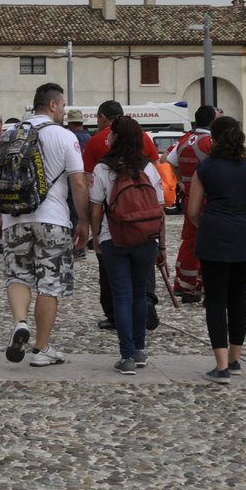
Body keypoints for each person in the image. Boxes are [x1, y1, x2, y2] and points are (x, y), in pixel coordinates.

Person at [0, 82, 89, 368]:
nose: (65, 110)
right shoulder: (64, 135)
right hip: (53, 219)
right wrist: (83, 220)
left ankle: (20, 322)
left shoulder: (9, 134)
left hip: (14, 219)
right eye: (64, 105)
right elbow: (78, 181)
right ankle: (41, 348)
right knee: (50, 284)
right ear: (53, 105)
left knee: (17, 275)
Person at [189, 115, 246, 384]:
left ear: (212, 140)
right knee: (239, 298)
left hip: (216, 234)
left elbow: (192, 211)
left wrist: (208, 224)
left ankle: (221, 365)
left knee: (215, 299)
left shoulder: (206, 168)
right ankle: (236, 358)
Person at [88, 117, 166, 374]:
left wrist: (96, 237)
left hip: (115, 238)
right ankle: (140, 350)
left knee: (121, 295)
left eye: (111, 134)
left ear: (118, 138)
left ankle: (126, 355)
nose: (107, 137)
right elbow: (160, 209)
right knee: (139, 294)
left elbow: (96, 206)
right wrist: (162, 246)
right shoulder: (149, 168)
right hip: (146, 239)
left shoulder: (103, 168)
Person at [167, 105, 218, 304]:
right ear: (212, 121)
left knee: (189, 239)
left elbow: (168, 160)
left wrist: (182, 181)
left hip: (189, 194)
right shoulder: (210, 142)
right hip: (206, 195)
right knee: (205, 240)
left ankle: (183, 282)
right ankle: (197, 282)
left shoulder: (184, 140)